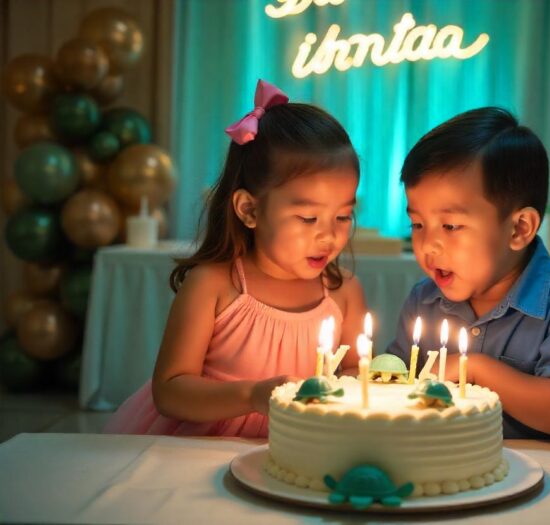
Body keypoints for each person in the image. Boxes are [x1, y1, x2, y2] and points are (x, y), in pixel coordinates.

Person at [104, 80, 366, 437]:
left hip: (300, 447)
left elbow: (355, 372)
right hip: (203, 446)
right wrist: (253, 395)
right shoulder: (214, 285)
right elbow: (169, 390)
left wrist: (343, 390)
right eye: (308, 218)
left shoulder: (343, 293)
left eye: (342, 217)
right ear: (249, 209)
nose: (329, 235)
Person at [387, 107, 550, 442]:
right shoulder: (424, 301)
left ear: (519, 228)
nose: (428, 246)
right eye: (418, 224)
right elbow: (395, 383)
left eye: (450, 226)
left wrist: (475, 368)